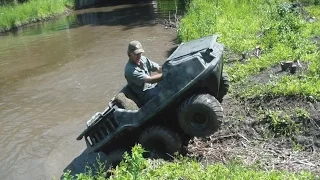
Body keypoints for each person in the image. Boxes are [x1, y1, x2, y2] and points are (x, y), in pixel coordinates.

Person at [124, 40, 163, 105]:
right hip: (145, 95)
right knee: (166, 92)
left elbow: (158, 68)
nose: (139, 56)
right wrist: (166, 74)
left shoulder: (143, 59)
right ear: (129, 54)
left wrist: (169, 68)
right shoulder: (130, 70)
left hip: (152, 87)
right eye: (136, 54)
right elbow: (150, 80)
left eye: (140, 53)